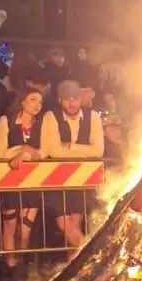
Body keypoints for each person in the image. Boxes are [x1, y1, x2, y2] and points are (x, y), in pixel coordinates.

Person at [40, 79, 104, 254]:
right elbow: (55, 151)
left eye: (75, 98)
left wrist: (70, 147)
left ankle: (73, 269)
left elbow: (98, 151)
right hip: (56, 179)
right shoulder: (51, 117)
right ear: (60, 100)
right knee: (65, 225)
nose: (72, 103)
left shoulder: (94, 117)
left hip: (82, 180)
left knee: (75, 225)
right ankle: (93, 255)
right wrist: (83, 150)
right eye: (67, 99)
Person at [0, 88, 45, 281]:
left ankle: (20, 264)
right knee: (10, 226)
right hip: (9, 179)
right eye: (33, 99)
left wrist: (28, 153)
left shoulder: (40, 126)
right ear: (22, 101)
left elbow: (43, 152)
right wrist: (20, 150)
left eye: (40, 101)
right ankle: (10, 266)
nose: (37, 105)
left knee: (25, 229)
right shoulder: (5, 121)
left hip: (31, 182)